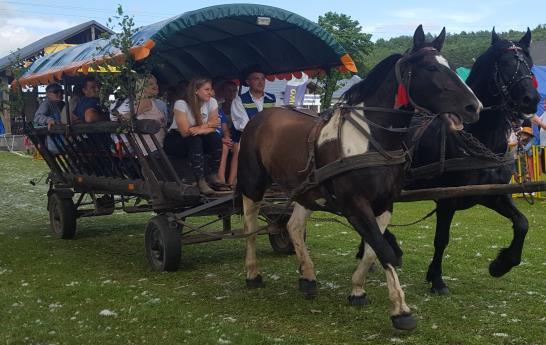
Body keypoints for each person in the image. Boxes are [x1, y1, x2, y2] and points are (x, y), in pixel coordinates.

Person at [164, 77, 227, 195]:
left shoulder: (212, 102)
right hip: (176, 139)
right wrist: (206, 126)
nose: (210, 92)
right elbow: (184, 131)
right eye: (206, 89)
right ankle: (200, 180)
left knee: (215, 138)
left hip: (199, 135)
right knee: (195, 140)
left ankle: (213, 174)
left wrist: (200, 129)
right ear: (196, 91)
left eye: (211, 89)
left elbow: (214, 126)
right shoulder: (181, 104)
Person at [229, 65, 277, 186]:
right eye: (256, 79)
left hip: (270, 136)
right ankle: (233, 182)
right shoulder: (239, 100)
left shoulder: (273, 99)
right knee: (239, 148)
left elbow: (279, 118)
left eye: (262, 79)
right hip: (246, 137)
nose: (260, 82)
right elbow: (243, 125)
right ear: (248, 82)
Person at [110, 74, 167, 156]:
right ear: (142, 87)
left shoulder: (151, 101)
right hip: (152, 150)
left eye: (156, 83)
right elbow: (129, 115)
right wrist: (120, 118)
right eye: (150, 84)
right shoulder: (144, 101)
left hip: (154, 149)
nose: (155, 86)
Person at [215, 80, 238, 185]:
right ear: (223, 92)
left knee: (237, 147)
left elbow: (226, 130)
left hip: (233, 137)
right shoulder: (217, 107)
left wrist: (228, 139)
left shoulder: (239, 107)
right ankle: (221, 179)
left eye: (234, 91)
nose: (232, 93)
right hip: (217, 137)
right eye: (229, 91)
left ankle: (232, 181)